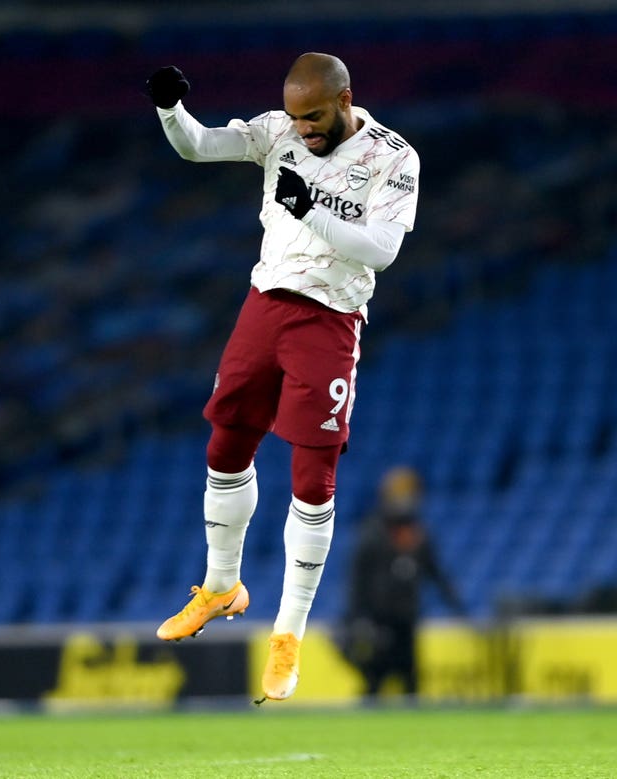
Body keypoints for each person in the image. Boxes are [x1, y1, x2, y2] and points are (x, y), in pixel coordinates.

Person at [145, 52, 420, 702]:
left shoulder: (393, 156)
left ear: (346, 98)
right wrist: (168, 109)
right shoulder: (278, 131)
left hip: (329, 317)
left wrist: (310, 209)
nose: (304, 130)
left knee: (312, 475)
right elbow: (199, 146)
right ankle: (220, 586)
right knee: (224, 444)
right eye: (297, 118)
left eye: (316, 117)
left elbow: (383, 247)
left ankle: (287, 635)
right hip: (264, 303)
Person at [339, 467, 465, 697]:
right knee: (375, 680)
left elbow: (435, 573)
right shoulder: (372, 533)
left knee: (410, 680)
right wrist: (358, 616)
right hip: (378, 621)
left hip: (406, 619)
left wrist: (456, 604)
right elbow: (357, 579)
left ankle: (415, 731)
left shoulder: (418, 534)